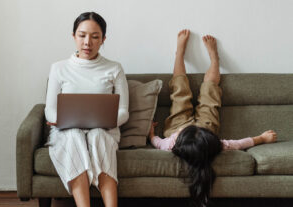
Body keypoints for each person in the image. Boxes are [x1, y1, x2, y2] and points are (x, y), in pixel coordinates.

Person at [148, 29, 277, 207]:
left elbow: (157, 142)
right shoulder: (214, 145)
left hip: (178, 126)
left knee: (179, 92)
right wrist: (262, 138)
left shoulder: (171, 144)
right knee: (210, 92)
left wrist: (151, 133)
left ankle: (179, 54)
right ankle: (215, 58)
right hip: (205, 129)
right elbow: (239, 143)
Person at [44, 12, 129, 207]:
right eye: (82, 35)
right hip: (67, 131)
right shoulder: (59, 68)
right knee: (73, 135)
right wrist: (59, 119)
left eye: (95, 36)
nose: (87, 42)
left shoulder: (114, 68)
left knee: (98, 135)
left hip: (104, 129)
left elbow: (123, 111)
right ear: (74, 36)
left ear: (103, 39)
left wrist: (105, 120)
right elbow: (50, 110)